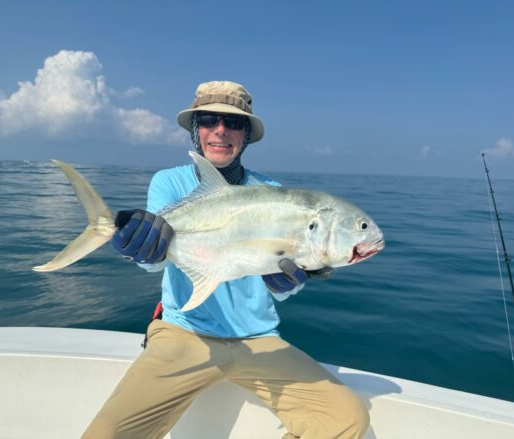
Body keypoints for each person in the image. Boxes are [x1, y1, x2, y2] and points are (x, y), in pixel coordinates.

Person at [82, 81, 370, 439]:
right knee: (106, 434)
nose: (221, 130)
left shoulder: (272, 190)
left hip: (259, 338)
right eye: (208, 120)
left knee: (347, 418)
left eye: (234, 123)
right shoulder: (169, 182)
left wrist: (288, 284)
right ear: (195, 129)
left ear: (246, 134)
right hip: (183, 331)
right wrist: (140, 249)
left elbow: (279, 278)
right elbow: (156, 262)